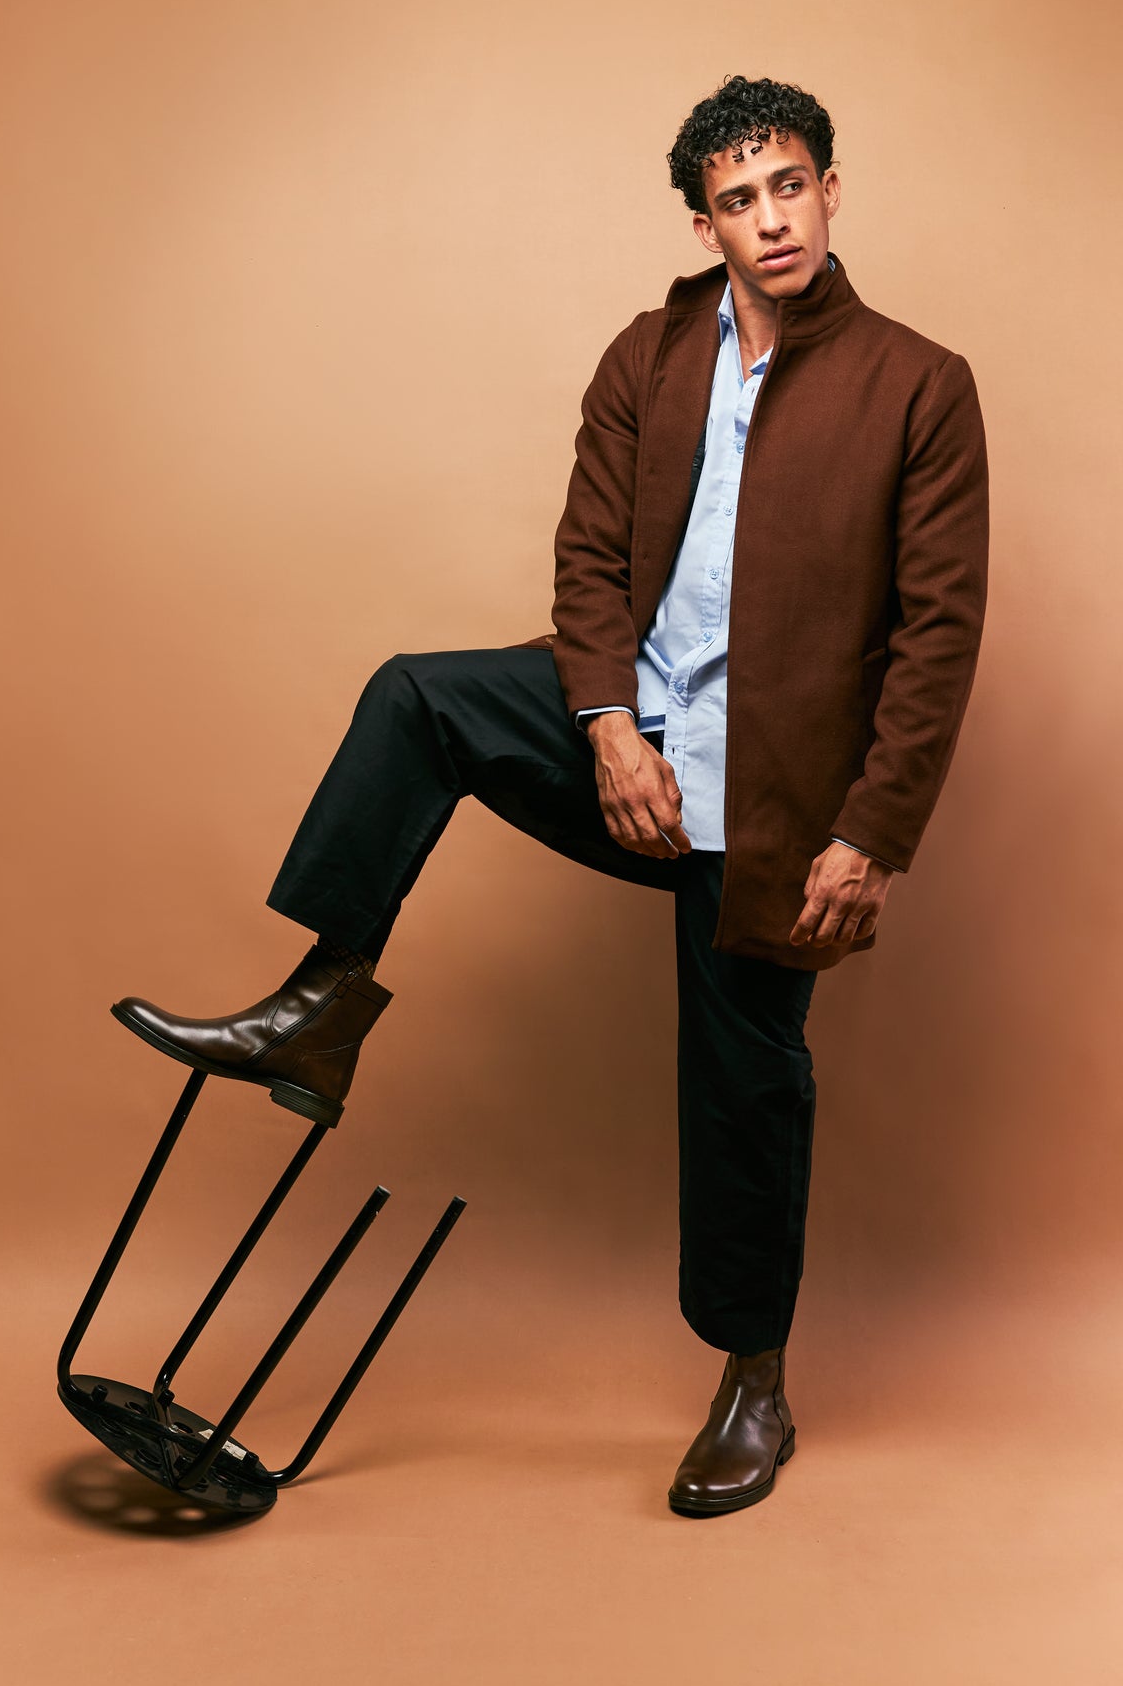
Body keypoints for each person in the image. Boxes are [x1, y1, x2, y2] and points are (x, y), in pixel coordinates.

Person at [113, 75, 989, 1517]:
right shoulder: (650, 355)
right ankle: (320, 1006)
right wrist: (606, 725)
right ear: (703, 224)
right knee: (420, 698)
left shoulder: (919, 384)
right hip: (637, 740)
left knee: (746, 1083)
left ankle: (754, 1385)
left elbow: (938, 634)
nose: (770, 219)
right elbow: (587, 560)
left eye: (790, 187)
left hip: (777, 798)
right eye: (738, 199)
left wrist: (871, 832)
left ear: (832, 192)